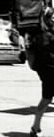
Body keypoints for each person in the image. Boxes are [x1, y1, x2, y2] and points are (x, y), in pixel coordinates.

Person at [28, 7, 54, 137]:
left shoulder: (44, 33)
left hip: (47, 70)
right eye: (52, 17)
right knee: (46, 100)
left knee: (46, 100)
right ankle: (35, 127)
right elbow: (46, 54)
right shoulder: (43, 35)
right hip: (49, 71)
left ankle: (35, 126)